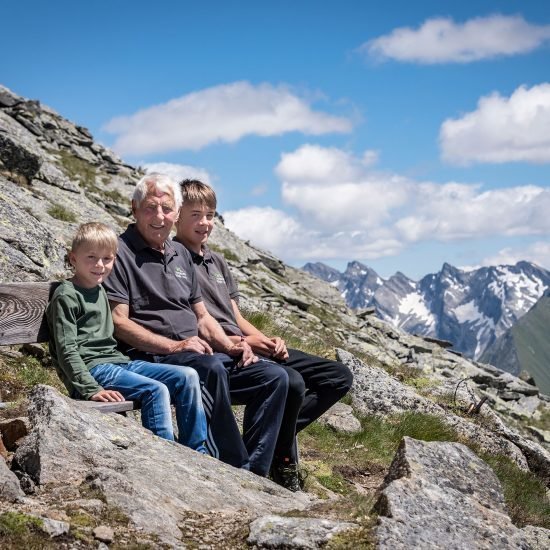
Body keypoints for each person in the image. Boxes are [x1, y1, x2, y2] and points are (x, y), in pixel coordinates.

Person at [102, 173, 289, 478]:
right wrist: (176, 345)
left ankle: (256, 473)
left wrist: (233, 345)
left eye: (166, 209)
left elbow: (202, 317)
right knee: (209, 369)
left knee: (275, 377)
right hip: (154, 356)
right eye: (150, 208)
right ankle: (230, 466)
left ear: (175, 214)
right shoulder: (120, 252)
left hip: (197, 351)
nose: (159, 217)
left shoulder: (179, 255)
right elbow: (119, 323)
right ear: (134, 209)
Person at [174, 179, 354, 491]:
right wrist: (239, 344)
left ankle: (274, 442)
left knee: (337, 376)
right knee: (293, 382)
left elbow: (236, 316)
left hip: (246, 343)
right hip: (222, 350)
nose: (205, 223)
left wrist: (268, 341)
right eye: (196, 215)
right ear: (177, 216)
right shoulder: (174, 257)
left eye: (210, 215)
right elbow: (192, 318)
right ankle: (275, 459)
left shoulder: (216, 261)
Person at [46, 222, 208, 453]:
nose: (100, 265)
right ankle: (166, 457)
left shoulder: (99, 289)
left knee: (188, 376)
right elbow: (66, 350)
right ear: (73, 259)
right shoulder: (66, 296)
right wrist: (90, 389)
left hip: (118, 363)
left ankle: (197, 451)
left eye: (107, 258)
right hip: (93, 370)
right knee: (156, 390)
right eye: (91, 257)